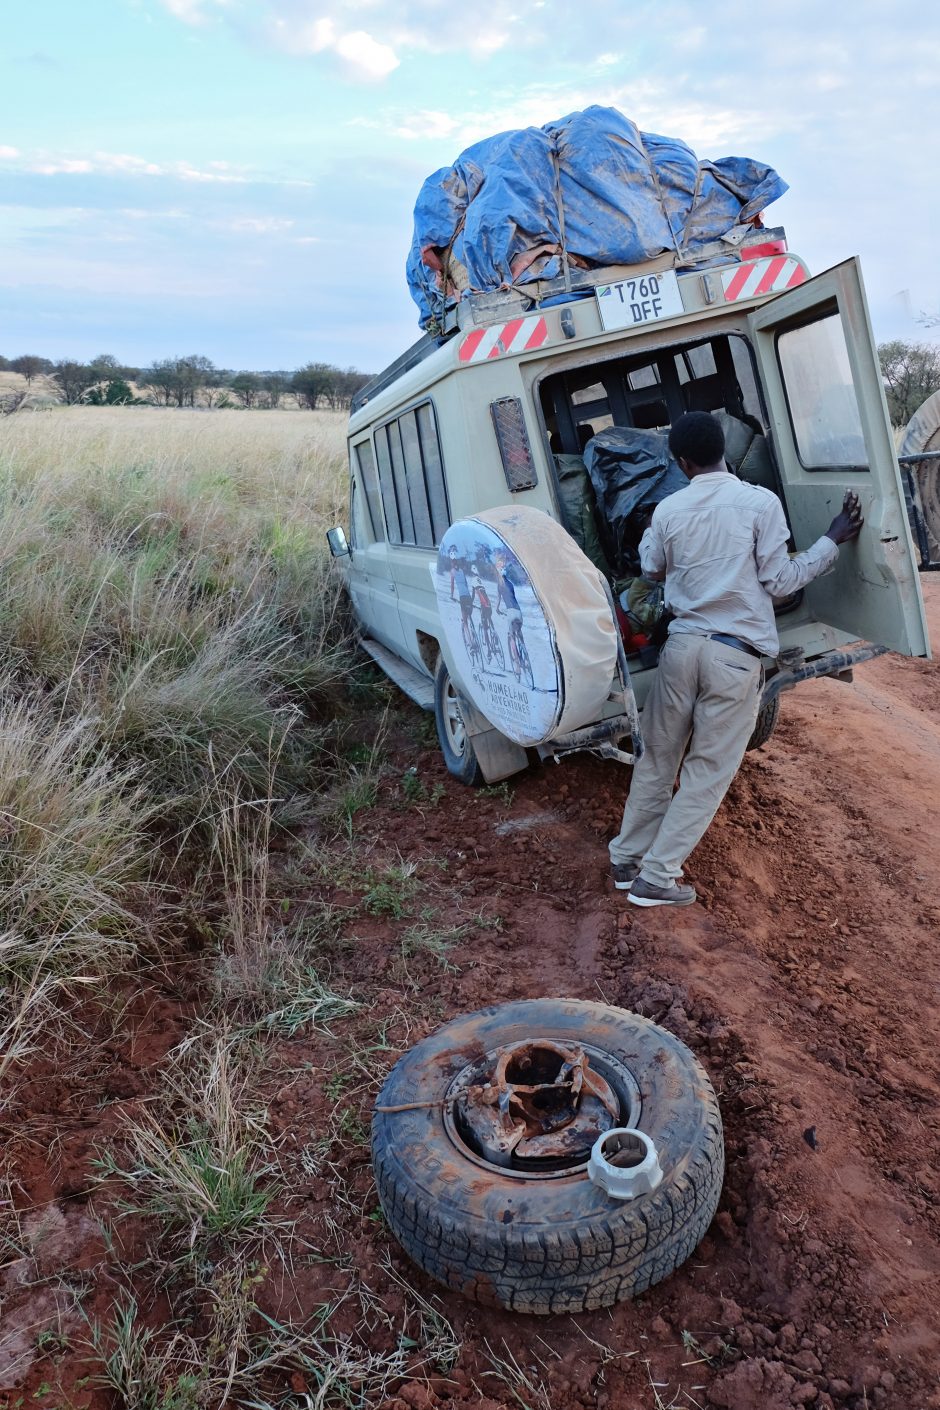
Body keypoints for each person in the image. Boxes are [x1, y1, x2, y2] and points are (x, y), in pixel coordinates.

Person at [610, 410, 863, 908]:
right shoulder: (759, 503)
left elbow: (650, 568)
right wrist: (831, 541)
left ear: (681, 462)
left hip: (680, 650)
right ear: (723, 448)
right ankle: (656, 877)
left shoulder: (668, 510)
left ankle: (626, 859)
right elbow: (780, 582)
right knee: (707, 771)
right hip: (734, 657)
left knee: (659, 758)